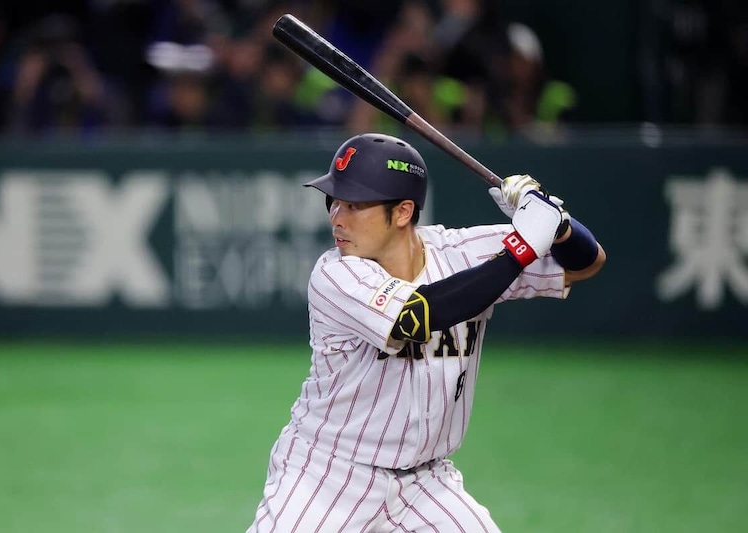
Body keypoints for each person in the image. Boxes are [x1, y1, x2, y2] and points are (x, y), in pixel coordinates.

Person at [248, 132, 605, 532]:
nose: (337, 216)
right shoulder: (335, 273)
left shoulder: (460, 253)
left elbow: (586, 262)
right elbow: (419, 315)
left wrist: (558, 226)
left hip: (426, 483)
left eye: (355, 204)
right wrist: (522, 246)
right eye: (334, 201)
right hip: (328, 475)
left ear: (402, 212)